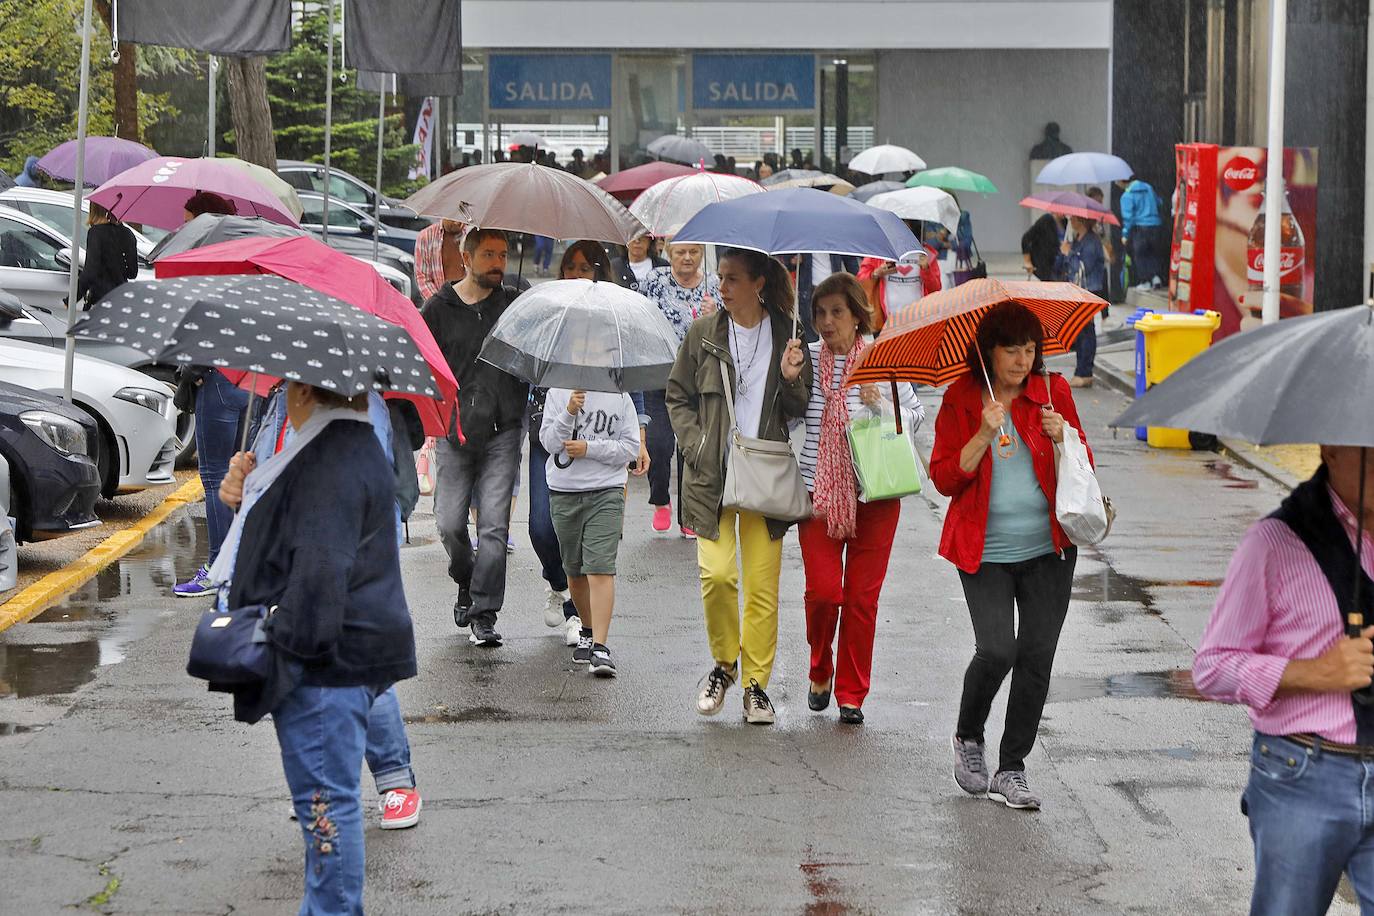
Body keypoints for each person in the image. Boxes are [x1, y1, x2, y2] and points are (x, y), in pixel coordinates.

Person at [211, 381, 416, 915]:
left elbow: (320, 575)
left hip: (326, 668)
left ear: (303, 390)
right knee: (328, 803)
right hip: (343, 657)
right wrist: (250, 486)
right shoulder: (345, 444)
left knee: (327, 807)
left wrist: (280, 651)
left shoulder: (331, 460)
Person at [1193, 447, 1374, 915]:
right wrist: (1313, 673)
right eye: (1369, 449)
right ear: (1330, 448)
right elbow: (1212, 667)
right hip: (1302, 773)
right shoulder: (1274, 543)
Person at [930, 302, 1090, 811]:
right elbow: (943, 478)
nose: (1023, 360)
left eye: (1030, 349)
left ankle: (1012, 767)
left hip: (1050, 549)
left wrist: (1063, 433)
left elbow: (1082, 457)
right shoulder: (961, 397)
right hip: (986, 551)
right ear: (988, 351)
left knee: (1037, 655)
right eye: (1011, 349)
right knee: (997, 649)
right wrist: (981, 431)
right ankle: (968, 735)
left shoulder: (1051, 392)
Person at [667, 247, 811, 725]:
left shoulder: (788, 332)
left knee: (762, 587)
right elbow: (677, 395)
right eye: (721, 277)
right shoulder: (704, 332)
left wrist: (792, 378)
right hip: (713, 473)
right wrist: (695, 443)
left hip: (765, 473)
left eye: (731, 279)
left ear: (759, 284)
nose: (722, 287)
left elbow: (798, 406)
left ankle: (755, 686)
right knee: (718, 575)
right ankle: (725, 664)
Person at [798, 273, 923, 725]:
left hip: (876, 491)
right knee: (824, 592)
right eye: (820, 313)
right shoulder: (805, 359)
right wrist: (789, 379)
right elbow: (787, 417)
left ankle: (852, 693)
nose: (827, 322)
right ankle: (819, 668)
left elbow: (915, 414)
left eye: (836, 312)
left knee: (861, 599)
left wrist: (879, 404)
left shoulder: (880, 359)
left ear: (856, 315)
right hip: (819, 492)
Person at [526, 242, 649, 646]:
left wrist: (637, 436)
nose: (578, 273)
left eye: (586, 267)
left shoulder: (614, 319)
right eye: (570, 266)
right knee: (544, 530)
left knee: (597, 556)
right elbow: (529, 375)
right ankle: (560, 585)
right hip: (551, 431)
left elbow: (630, 384)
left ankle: (587, 627)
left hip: (599, 454)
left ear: (599, 272)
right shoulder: (547, 314)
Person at [421, 228, 529, 647]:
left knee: (495, 527)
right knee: (449, 525)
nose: (498, 263)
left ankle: (484, 612)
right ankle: (466, 580)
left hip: (504, 431)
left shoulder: (514, 305)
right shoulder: (439, 307)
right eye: (488, 254)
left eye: (503, 254)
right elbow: (424, 363)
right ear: (466, 258)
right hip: (455, 431)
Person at [539, 385, 641, 676]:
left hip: (607, 489)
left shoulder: (621, 395)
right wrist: (569, 412)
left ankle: (600, 645)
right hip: (565, 491)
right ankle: (586, 627)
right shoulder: (558, 392)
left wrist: (589, 449)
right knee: (574, 569)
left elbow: (630, 447)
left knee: (600, 567)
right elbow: (547, 441)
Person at [641, 242, 720, 538]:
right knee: (659, 445)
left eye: (694, 252)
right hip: (659, 375)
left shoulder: (714, 284)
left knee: (692, 446)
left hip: (698, 379)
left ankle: (690, 512)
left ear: (701, 254)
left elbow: (729, 330)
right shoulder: (654, 281)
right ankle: (660, 499)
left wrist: (716, 314)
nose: (687, 258)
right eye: (680, 252)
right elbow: (636, 317)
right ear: (669, 253)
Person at [1055, 215, 1107, 388]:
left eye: (1074, 218)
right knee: (1080, 329)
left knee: (1086, 330)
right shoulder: (1078, 239)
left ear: (1081, 220)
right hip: (1078, 290)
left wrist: (1067, 253)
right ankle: (1082, 370)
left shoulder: (1092, 242)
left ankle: (1085, 372)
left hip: (1088, 289)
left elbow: (1085, 266)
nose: (1070, 220)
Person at [856, 238, 941, 332]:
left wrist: (926, 269)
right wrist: (876, 273)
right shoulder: (879, 252)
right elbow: (860, 281)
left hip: (918, 322)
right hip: (886, 323)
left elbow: (936, 288)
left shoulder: (925, 254)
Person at [73, 202, 137, 310]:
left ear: (93, 208)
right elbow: (132, 273)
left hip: (101, 300)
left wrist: (72, 299)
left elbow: (90, 272)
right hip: (121, 297)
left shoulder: (96, 233)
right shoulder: (127, 233)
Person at [793, 253, 860, 343]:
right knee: (810, 329)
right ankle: (813, 355)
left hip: (834, 289)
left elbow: (850, 260)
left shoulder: (836, 240)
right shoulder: (804, 242)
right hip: (809, 290)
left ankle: (835, 353)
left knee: (834, 326)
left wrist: (856, 285)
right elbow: (788, 262)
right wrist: (794, 261)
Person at [1117, 175, 1165, 286]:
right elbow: (1159, 202)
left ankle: (1145, 281)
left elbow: (1128, 218)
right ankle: (1156, 277)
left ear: (1121, 181)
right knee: (1153, 252)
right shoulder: (1148, 187)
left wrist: (1125, 234)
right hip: (1156, 225)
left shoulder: (1127, 196)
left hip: (1140, 228)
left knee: (1140, 254)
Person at [415, 218, 467, 300]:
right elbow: (423, 278)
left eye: (461, 217)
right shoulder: (426, 237)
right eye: (454, 217)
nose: (457, 222)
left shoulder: (472, 237)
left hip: (468, 303)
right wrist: (438, 304)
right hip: (439, 302)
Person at [1021, 211, 1065, 281]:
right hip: (1047, 265)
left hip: (1060, 266)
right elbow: (1026, 238)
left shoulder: (1065, 222)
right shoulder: (1046, 220)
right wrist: (1027, 261)